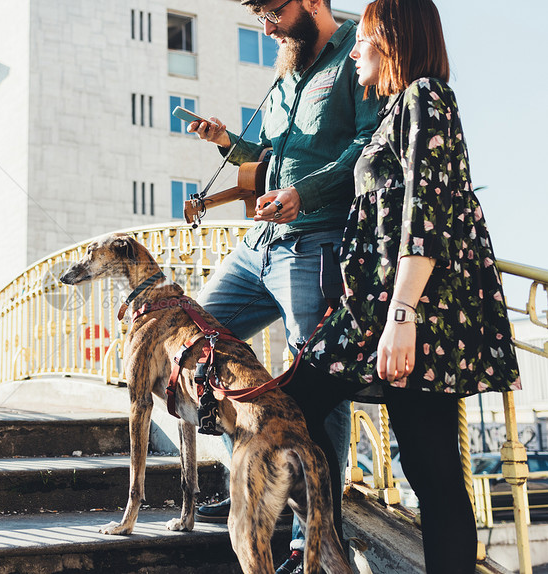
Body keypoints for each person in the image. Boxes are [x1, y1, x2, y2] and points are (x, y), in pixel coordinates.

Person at [279, 0, 521, 572]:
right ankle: (319, 543)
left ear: (389, 39)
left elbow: (427, 210)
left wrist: (403, 316)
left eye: (362, 39)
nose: (354, 49)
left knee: (431, 471)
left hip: (409, 312)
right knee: (418, 462)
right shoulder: (395, 109)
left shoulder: (424, 98)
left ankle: (316, 546)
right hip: (377, 308)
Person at [187, 1, 381, 572]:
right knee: (202, 344)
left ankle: (310, 535)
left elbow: (365, 147)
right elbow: (271, 157)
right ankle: (248, 474)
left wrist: (306, 195)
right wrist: (227, 143)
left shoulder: (357, 56)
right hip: (258, 246)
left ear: (313, 2)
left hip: (315, 242)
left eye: (273, 12)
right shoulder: (285, 67)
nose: (266, 27)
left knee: (315, 381)